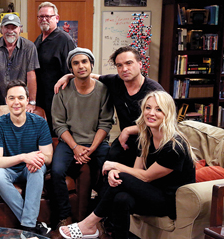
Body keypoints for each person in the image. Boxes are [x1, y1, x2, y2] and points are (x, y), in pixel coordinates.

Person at [59, 91, 196, 239]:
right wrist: (115, 173)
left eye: (159, 109)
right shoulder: (146, 137)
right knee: (121, 198)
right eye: (148, 108)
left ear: (168, 113)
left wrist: (115, 166)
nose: (151, 113)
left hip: (170, 201)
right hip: (150, 193)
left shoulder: (175, 147)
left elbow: (146, 177)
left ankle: (89, 223)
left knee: (121, 179)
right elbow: (136, 172)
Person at [55, 46, 164, 167]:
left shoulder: (155, 91)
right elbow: (88, 75)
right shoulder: (115, 82)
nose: (124, 69)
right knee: (108, 165)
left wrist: (129, 130)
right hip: (126, 141)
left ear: (140, 64)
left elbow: (166, 122)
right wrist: (68, 76)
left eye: (129, 63)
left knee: (132, 176)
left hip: (151, 140)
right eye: (119, 65)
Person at [51, 47, 114, 236]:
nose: (81, 66)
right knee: (56, 171)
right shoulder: (62, 90)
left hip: (97, 142)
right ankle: (65, 216)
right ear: (71, 68)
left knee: (110, 173)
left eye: (84, 62)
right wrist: (76, 147)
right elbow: (59, 124)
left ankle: (101, 218)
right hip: (70, 142)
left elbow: (106, 122)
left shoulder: (104, 90)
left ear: (91, 65)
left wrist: (91, 149)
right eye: (76, 63)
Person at [0, 80, 53, 236]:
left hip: (30, 169)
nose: (16, 102)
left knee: (37, 168)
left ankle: (28, 226)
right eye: (11, 98)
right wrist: (24, 157)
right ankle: (32, 225)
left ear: (27, 99)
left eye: (20, 98)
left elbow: (48, 156)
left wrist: (34, 160)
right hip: (9, 169)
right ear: (6, 101)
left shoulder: (39, 122)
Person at [34, 1, 76, 135]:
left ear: (56, 18)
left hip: (57, 99)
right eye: (41, 17)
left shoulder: (64, 40)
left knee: (56, 134)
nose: (44, 19)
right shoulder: (39, 39)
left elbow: (72, 72)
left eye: (48, 16)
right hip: (40, 98)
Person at [0, 14, 39, 113]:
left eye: (14, 27)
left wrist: (31, 102)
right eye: (7, 27)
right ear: (1, 29)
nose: (10, 31)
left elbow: (31, 76)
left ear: (20, 29)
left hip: (20, 102)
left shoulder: (29, 47)